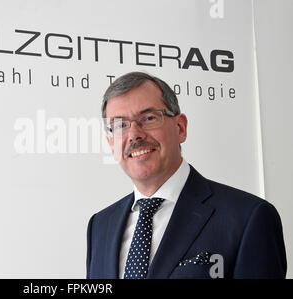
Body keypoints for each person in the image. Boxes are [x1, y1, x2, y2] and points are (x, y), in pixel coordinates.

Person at [86, 71, 287, 279]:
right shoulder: (100, 226)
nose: (134, 134)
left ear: (180, 127)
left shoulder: (248, 218)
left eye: (148, 118)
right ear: (111, 143)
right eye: (120, 125)